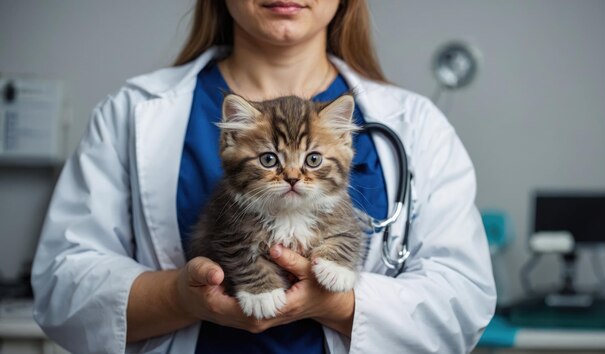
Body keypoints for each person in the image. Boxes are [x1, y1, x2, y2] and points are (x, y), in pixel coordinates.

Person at [31, 0, 496, 353]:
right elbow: (61, 286)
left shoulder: (417, 123)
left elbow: (463, 300)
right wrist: (180, 297)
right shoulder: (132, 112)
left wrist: (339, 304)